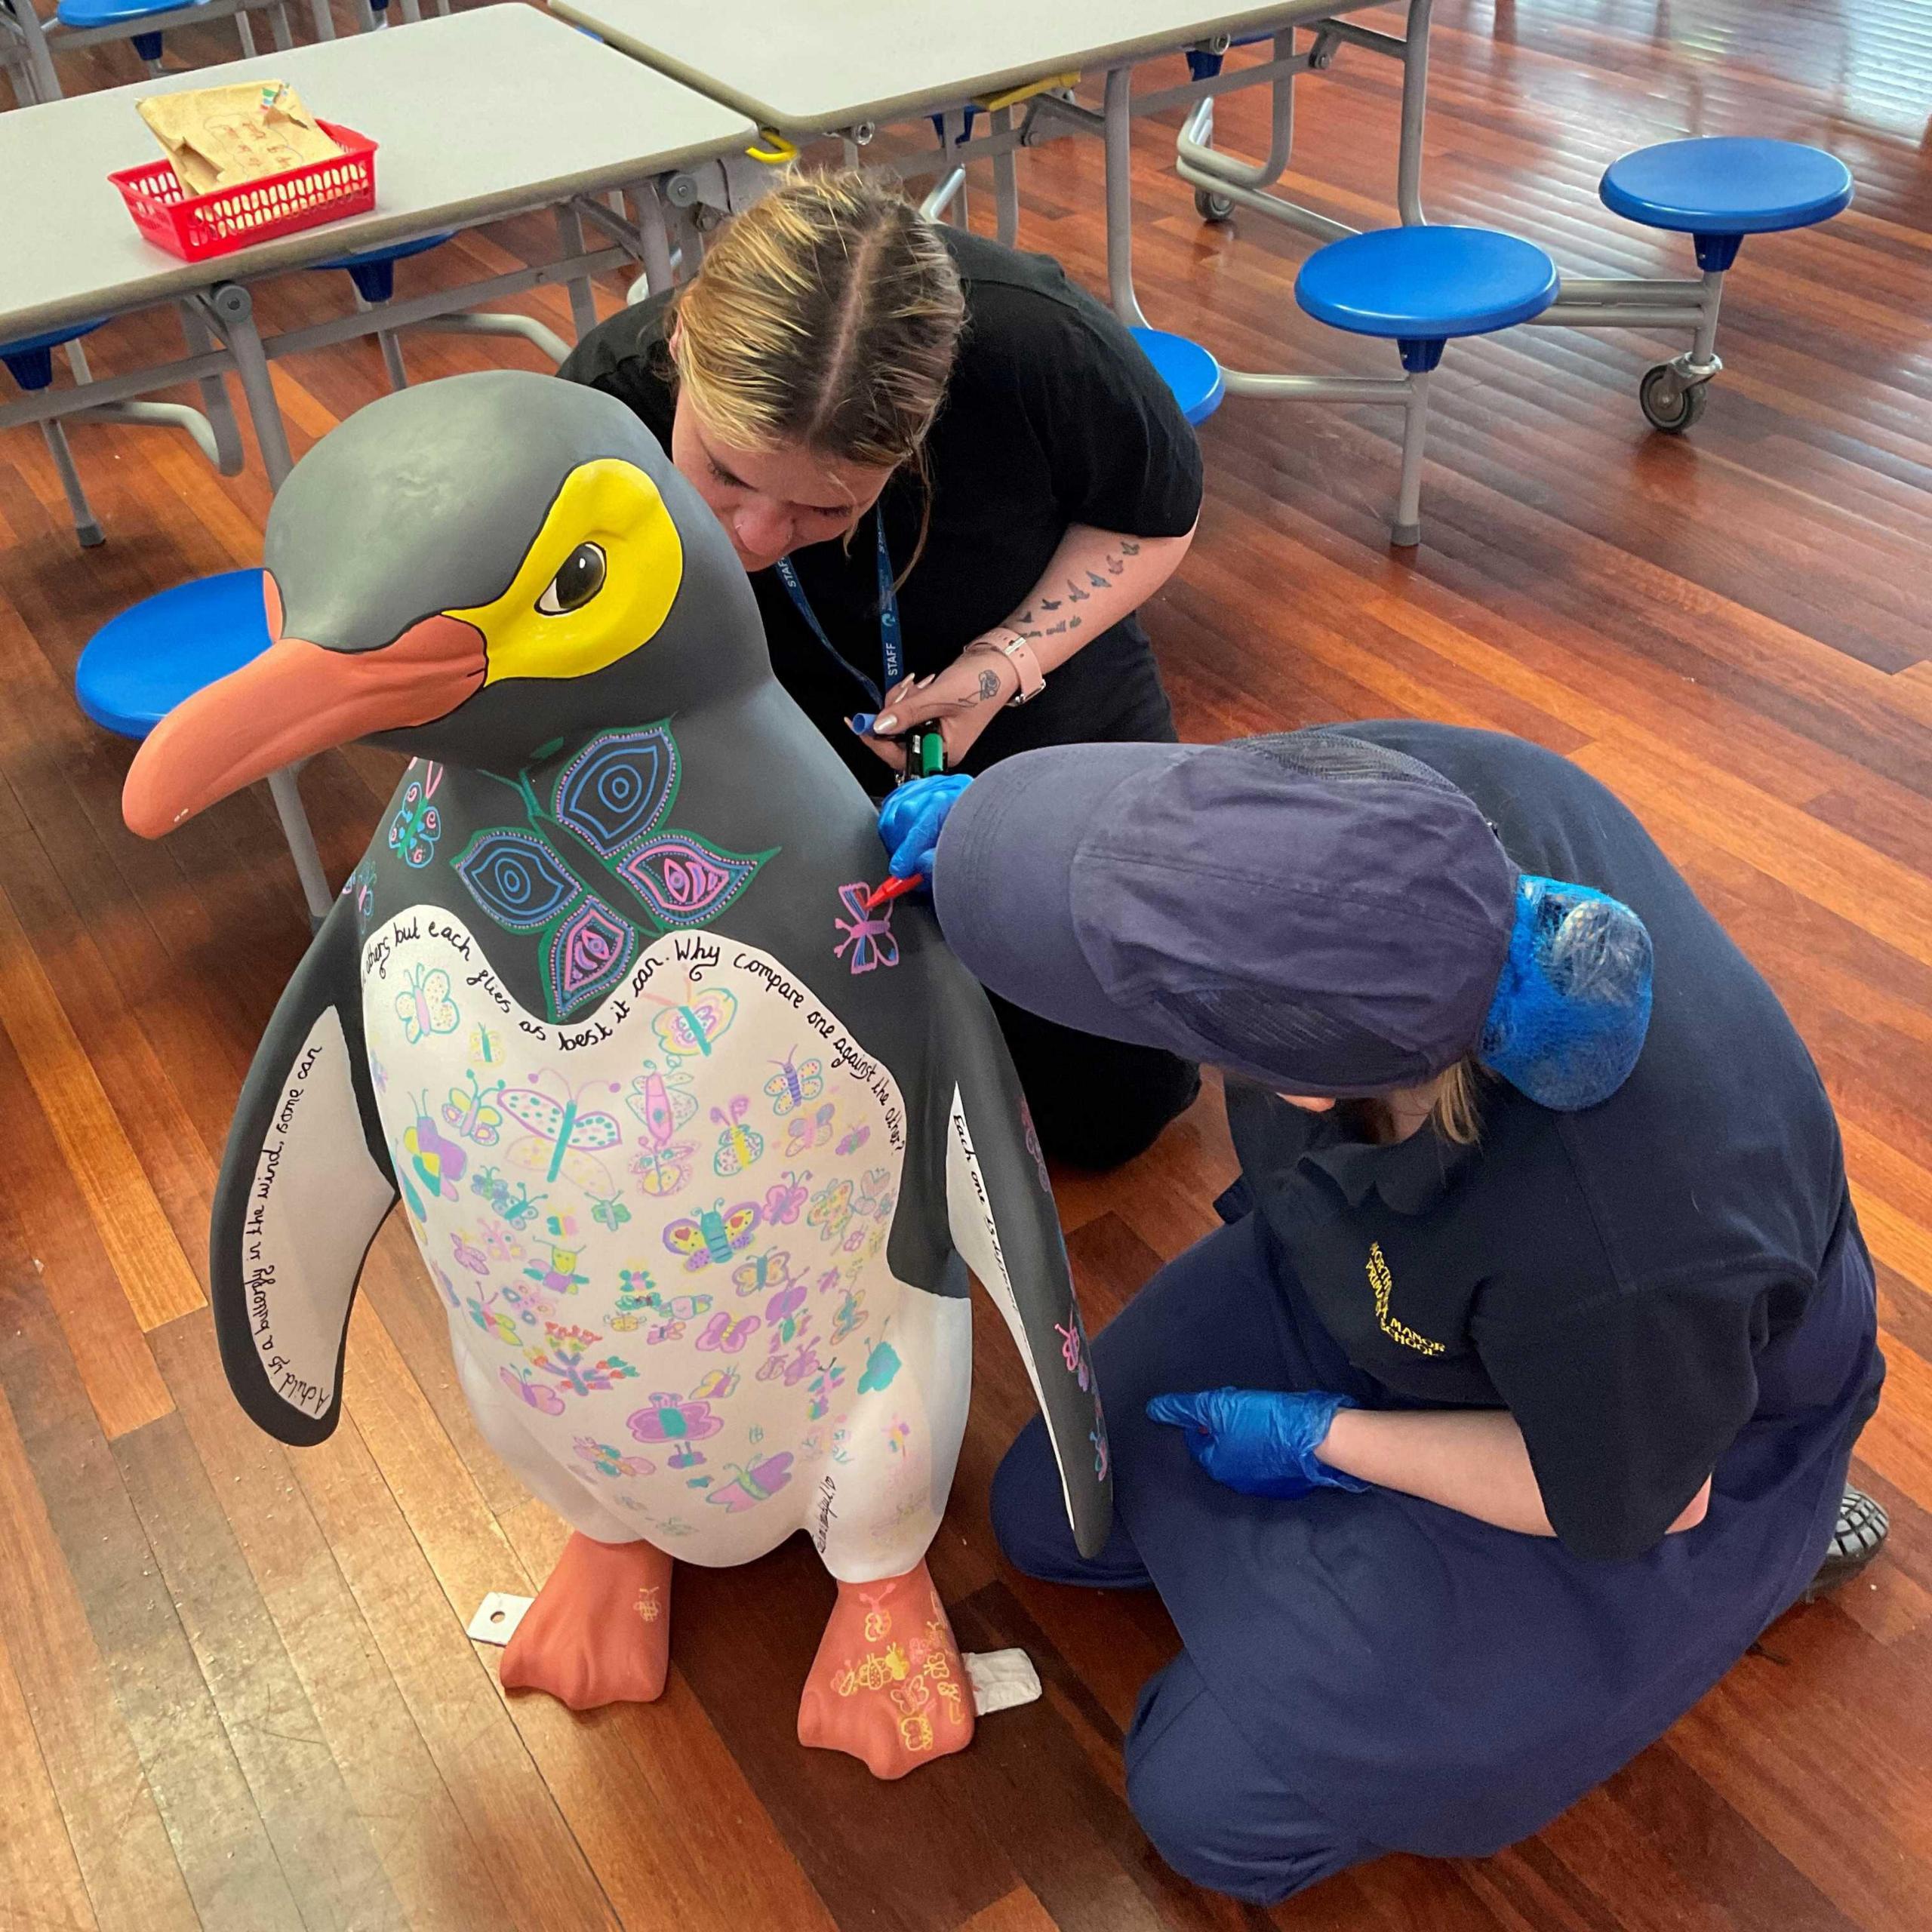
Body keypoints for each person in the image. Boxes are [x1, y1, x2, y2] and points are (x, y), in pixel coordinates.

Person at [875, 721, 1888, 1903]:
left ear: (1306, 1085)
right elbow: (1180, 827)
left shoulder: (1623, 1236)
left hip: (1664, 1437)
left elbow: (1652, 1495)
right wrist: (980, 836)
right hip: (1381, 1269)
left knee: (1203, 1805)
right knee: (1054, 1512)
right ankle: (1334, 1594)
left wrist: (1327, 1443)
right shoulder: (1409, 811)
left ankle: (1772, 1559)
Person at [559, 171, 1204, 1168]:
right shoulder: (599, 404)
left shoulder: (1040, 348)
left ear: (923, 429)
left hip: (1031, 674)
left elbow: (1155, 517)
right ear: (683, 345)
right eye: (725, 473)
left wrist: (1001, 668)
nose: (761, 538)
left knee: (1112, 1110)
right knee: (797, 1095)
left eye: (826, 507)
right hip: (765, 716)